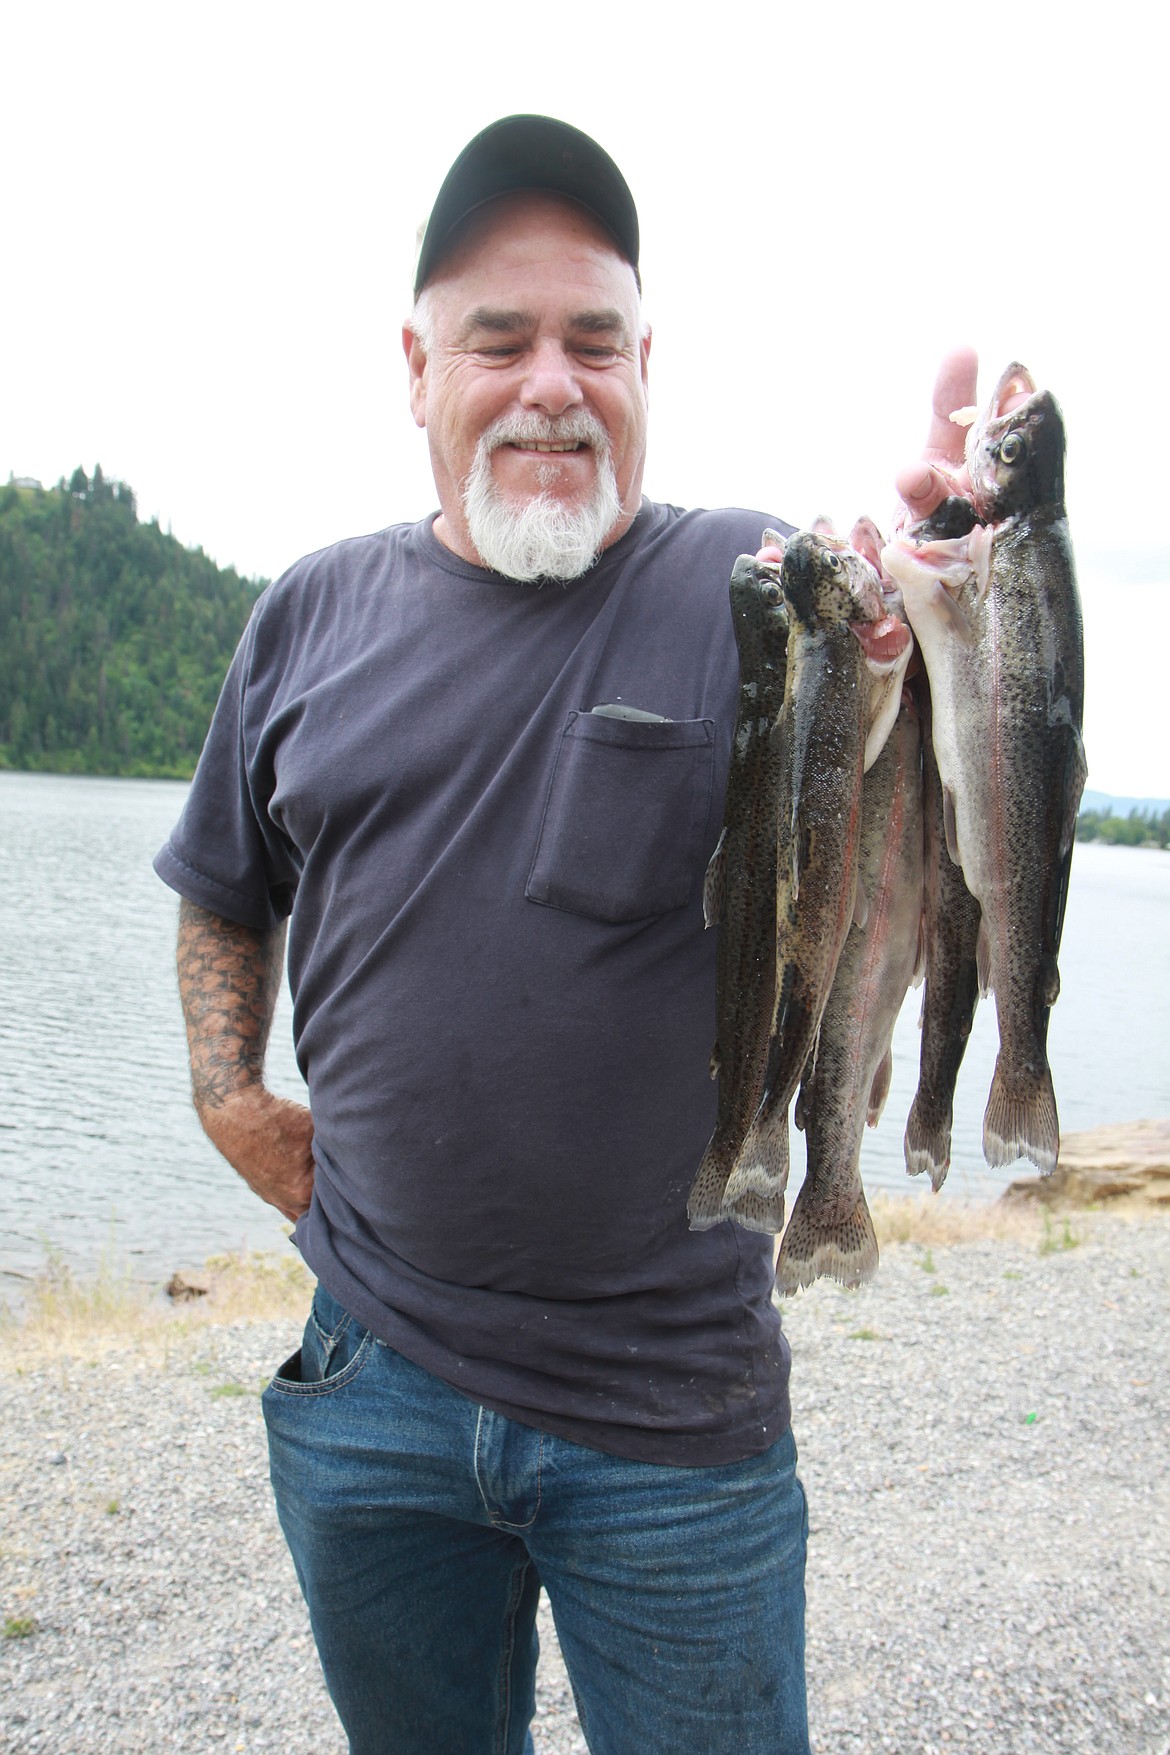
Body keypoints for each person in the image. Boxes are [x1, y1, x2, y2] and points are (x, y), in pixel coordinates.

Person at [155, 115, 972, 1755]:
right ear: (415, 365)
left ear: (645, 363)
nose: (551, 382)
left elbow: (917, 785)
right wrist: (228, 1097)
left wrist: (949, 600)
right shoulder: (307, 612)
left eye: (593, 341)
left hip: (674, 1414)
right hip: (367, 1381)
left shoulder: (759, 593)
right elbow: (223, 878)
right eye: (499, 338)